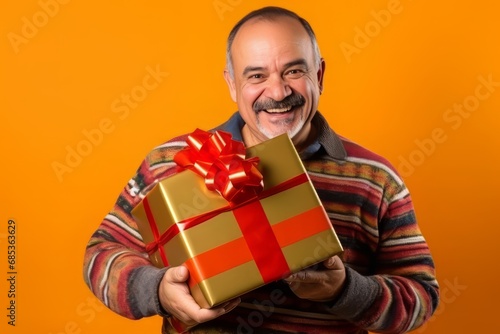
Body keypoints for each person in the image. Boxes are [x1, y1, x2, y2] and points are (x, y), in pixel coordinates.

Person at [83, 6, 439, 334]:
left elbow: (420, 296)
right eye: (256, 75)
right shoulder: (174, 161)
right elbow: (101, 255)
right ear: (231, 84)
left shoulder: (375, 178)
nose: (278, 91)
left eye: (294, 71)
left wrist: (345, 290)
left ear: (319, 74)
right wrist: (158, 290)